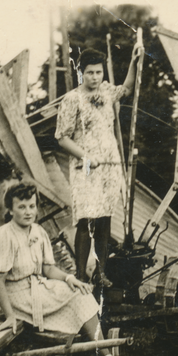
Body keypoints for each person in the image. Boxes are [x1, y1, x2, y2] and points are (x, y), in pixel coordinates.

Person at [0, 182, 132, 356]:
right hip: (18, 296)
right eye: (22, 207)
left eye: (32, 206)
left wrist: (70, 278)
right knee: (75, 307)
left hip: (39, 288)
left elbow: (47, 268)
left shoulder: (38, 231)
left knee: (80, 293)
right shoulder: (2, 236)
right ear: (10, 209)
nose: (28, 212)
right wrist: (9, 316)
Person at [55, 42, 143, 287]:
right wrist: (85, 157)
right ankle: (82, 275)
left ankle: (100, 273)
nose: (95, 77)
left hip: (108, 166)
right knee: (86, 220)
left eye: (99, 72)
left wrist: (135, 62)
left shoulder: (106, 92)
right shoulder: (72, 99)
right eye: (90, 72)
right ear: (81, 72)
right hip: (85, 167)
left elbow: (126, 88)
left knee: (104, 219)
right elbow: (62, 137)